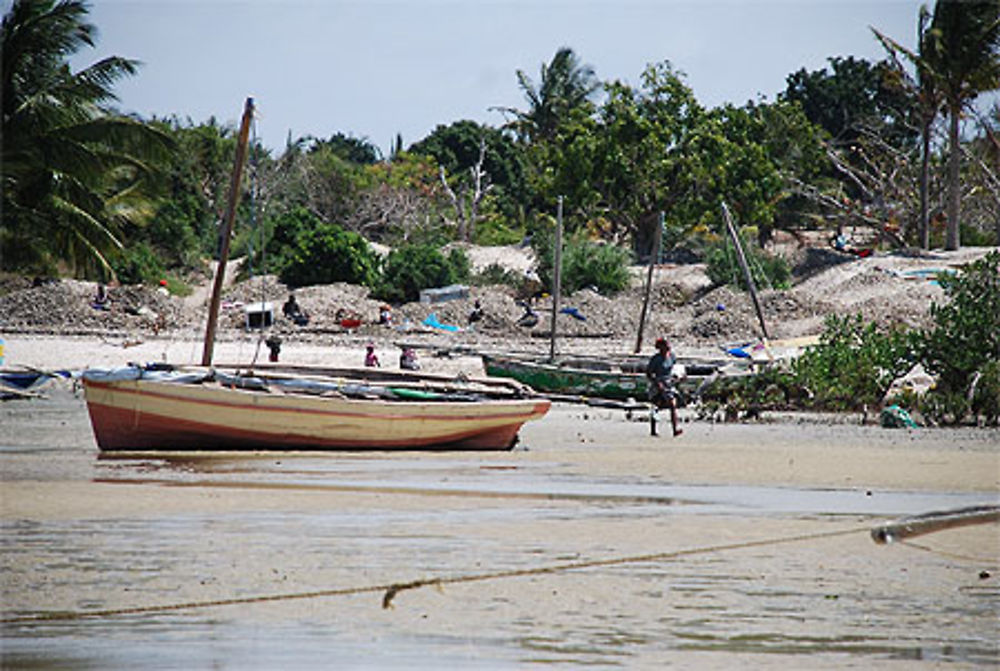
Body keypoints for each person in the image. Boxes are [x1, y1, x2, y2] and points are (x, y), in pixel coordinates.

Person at [646, 337, 683, 437]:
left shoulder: (672, 356)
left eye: (668, 344)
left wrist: (678, 377)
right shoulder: (656, 359)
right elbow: (649, 373)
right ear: (661, 347)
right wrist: (657, 383)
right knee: (656, 406)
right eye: (666, 344)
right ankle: (653, 430)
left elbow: (676, 369)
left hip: (669, 383)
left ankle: (675, 429)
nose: (668, 346)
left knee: (672, 404)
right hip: (658, 383)